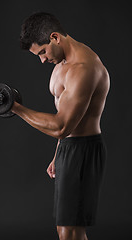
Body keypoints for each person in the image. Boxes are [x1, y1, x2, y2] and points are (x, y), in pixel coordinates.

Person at [11, 12, 110, 240]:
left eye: (43, 52)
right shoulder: (61, 64)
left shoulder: (84, 68)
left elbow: (61, 125)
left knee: (70, 232)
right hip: (68, 147)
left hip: (83, 150)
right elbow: (66, 117)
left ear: (55, 37)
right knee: (64, 230)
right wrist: (59, 152)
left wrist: (15, 108)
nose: (43, 60)